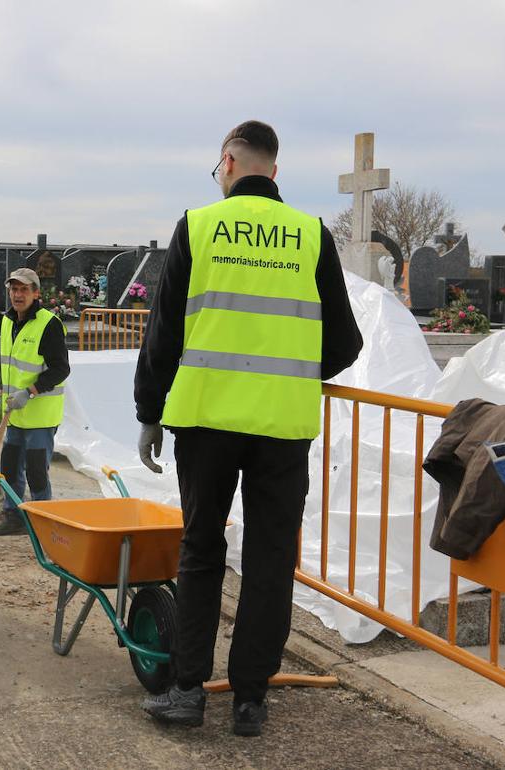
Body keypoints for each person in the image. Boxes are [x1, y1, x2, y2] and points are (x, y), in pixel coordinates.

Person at [133, 121, 362, 737]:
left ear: (228, 163)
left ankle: (187, 692)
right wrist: (287, 375)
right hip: (282, 429)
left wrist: (149, 411)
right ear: (275, 172)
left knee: (202, 552)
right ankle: (250, 702)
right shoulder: (311, 235)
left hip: (205, 423)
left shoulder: (199, 227)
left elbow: (163, 335)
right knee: (267, 561)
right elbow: (345, 342)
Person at [0, 268, 71, 536]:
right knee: (10, 467)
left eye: (24, 289)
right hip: (14, 414)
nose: (18, 295)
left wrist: (30, 391)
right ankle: (14, 518)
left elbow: (60, 369)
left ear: (36, 293)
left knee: (36, 471)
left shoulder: (49, 325)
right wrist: (1, 396)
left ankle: (43, 521)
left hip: (40, 416)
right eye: (14, 289)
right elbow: (10, 367)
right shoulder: (8, 321)